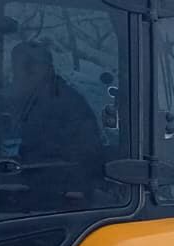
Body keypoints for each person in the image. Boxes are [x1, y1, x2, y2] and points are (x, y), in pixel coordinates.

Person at [10, 40, 104, 186]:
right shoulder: (25, 99)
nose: (17, 77)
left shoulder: (70, 104)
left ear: (45, 69)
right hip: (25, 181)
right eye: (16, 71)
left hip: (61, 191)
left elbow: (86, 156)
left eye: (23, 70)